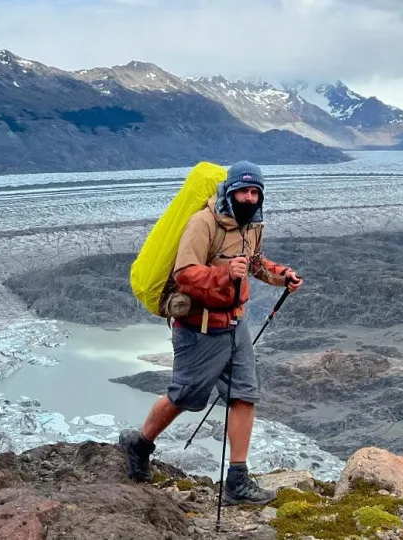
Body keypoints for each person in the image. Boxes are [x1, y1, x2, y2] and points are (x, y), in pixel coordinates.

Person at [119, 160, 302, 506]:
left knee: (244, 395)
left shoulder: (253, 225)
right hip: (199, 329)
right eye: (244, 191)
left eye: (255, 192)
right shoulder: (203, 223)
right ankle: (139, 444)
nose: (250, 197)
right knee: (184, 397)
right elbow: (185, 273)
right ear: (229, 191)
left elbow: (257, 263)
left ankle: (237, 480)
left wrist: (283, 276)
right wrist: (224, 275)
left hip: (235, 324)